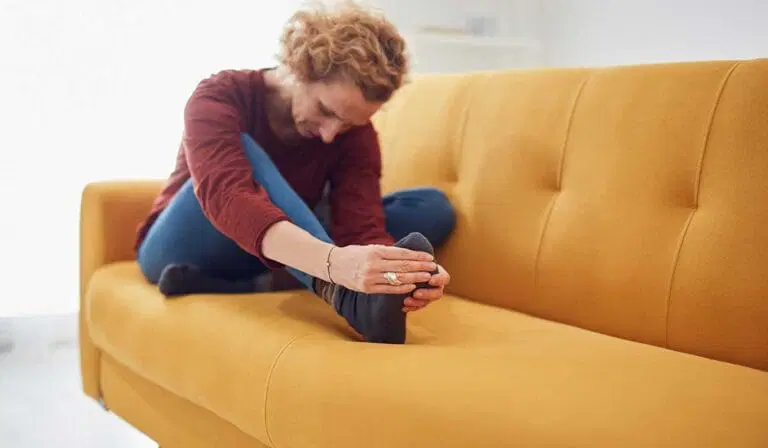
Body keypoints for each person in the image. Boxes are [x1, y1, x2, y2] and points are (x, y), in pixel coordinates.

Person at [134, 1, 456, 344]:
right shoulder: (220, 96)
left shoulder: (355, 136)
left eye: (347, 124)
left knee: (430, 208)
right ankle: (338, 293)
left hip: (282, 251)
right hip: (188, 242)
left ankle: (255, 285)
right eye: (325, 110)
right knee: (245, 152)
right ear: (298, 69)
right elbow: (228, 197)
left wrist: (396, 275)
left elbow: (361, 225)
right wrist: (334, 265)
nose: (331, 134)